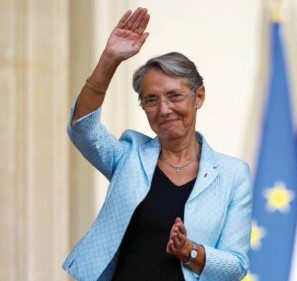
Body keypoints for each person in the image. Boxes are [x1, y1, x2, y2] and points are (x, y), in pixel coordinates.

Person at [62, 7, 252, 281]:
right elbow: (83, 129)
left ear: (198, 96)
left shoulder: (233, 175)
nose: (164, 109)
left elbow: (236, 265)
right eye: (151, 100)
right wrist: (109, 59)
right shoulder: (129, 155)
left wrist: (190, 251)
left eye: (174, 96)